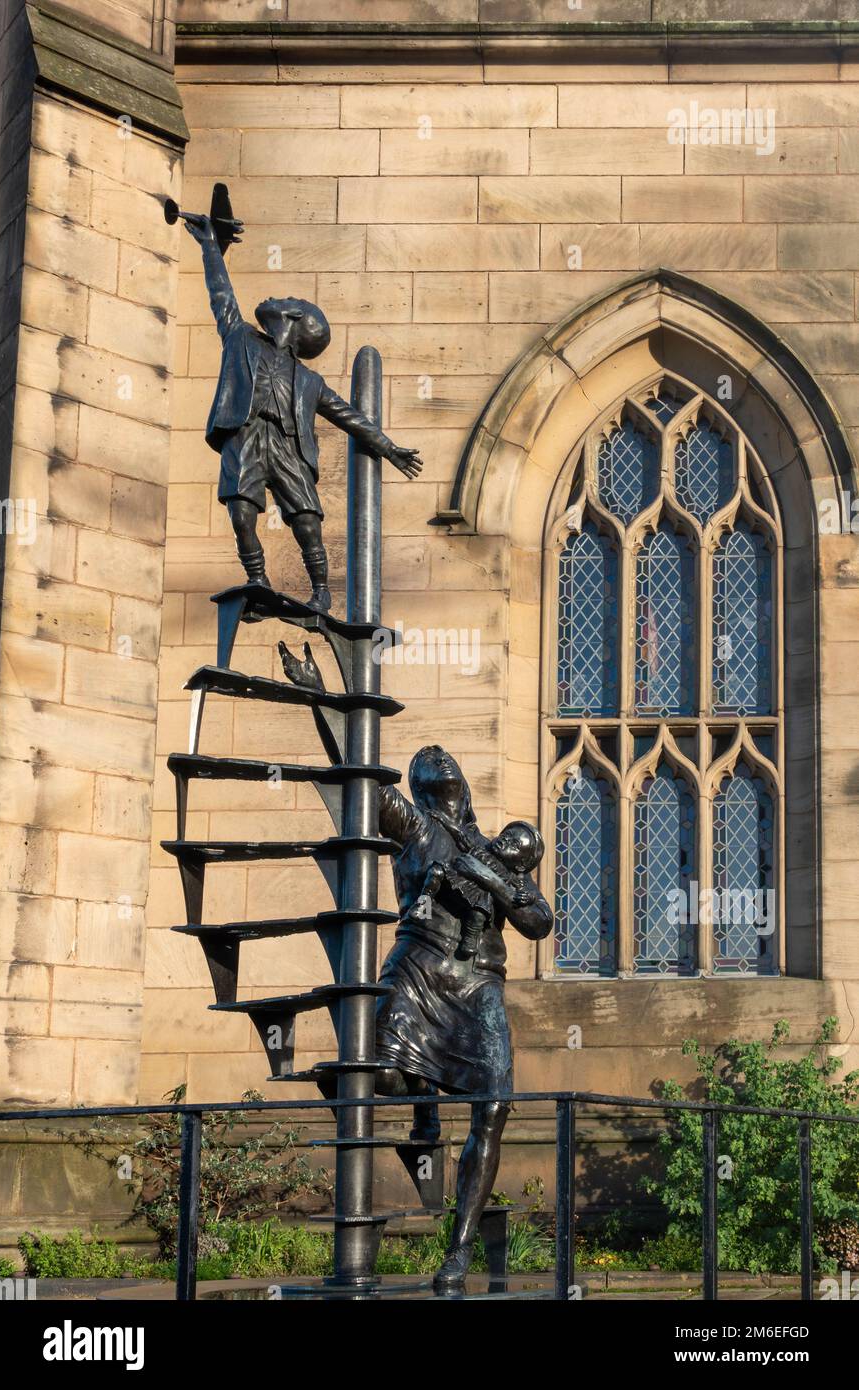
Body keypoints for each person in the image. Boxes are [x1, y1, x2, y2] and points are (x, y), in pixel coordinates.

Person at [374, 746, 553, 1291]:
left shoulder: (496, 849)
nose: (437, 755)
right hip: (419, 970)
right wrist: (323, 702)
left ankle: (458, 1251)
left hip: (478, 986)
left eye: (445, 755)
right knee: (379, 1075)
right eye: (426, 759)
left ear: (463, 782)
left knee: (493, 1108)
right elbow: (358, 782)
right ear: (421, 786)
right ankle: (423, 1109)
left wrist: (494, 880)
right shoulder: (414, 825)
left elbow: (539, 921)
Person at [184, 214, 421, 612]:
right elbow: (221, 296)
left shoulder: (310, 382)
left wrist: (389, 448)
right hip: (246, 437)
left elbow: (350, 417)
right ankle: (257, 578)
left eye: (288, 301)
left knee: (307, 521)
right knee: (241, 513)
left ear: (293, 321)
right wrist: (211, 247)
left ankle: (321, 591)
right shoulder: (241, 339)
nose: (278, 298)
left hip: (288, 449)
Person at [410, 820, 545, 961]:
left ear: (521, 865)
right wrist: (442, 820)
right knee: (436, 872)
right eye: (507, 835)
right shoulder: (482, 850)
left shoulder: (510, 876)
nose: (506, 840)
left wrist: (528, 898)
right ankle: (423, 904)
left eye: (514, 844)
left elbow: (527, 895)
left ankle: (471, 938)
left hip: (479, 895)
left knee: (479, 912)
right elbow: (461, 835)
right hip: (460, 879)